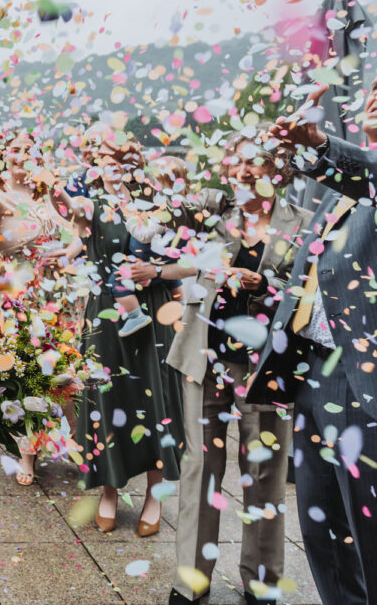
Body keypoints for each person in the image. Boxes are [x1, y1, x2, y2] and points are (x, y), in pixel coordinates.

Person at [158, 129, 310, 604]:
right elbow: (163, 211)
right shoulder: (211, 214)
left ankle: (262, 580)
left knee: (264, 473)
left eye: (255, 163)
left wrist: (265, 284)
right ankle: (192, 581)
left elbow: (310, 294)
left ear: (277, 171)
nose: (244, 171)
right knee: (199, 470)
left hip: (266, 367)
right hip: (205, 360)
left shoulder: (301, 222)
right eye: (236, 162)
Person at [247, 83, 377, 603]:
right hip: (314, 372)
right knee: (323, 529)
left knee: (368, 533)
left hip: (362, 380)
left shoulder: (362, 172)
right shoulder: (344, 185)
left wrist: (322, 147)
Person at [61, 135, 185, 538]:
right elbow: (72, 219)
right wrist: (51, 194)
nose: (105, 165)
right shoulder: (91, 204)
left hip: (153, 308)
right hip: (106, 313)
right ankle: (110, 489)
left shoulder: (159, 198)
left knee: (155, 400)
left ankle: (155, 492)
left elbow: (193, 261)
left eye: (112, 158)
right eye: (98, 158)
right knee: (107, 395)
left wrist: (159, 273)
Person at [0, 130, 83, 486]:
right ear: (3, 154)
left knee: (61, 368)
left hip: (58, 292)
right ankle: (26, 453)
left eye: (29, 149)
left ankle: (66, 433)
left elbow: (74, 233)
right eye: (15, 149)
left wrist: (70, 251)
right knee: (27, 367)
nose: (22, 155)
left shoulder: (46, 191)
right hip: (17, 291)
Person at [107, 155, 188, 337]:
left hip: (147, 255)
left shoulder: (165, 209)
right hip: (170, 256)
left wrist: (131, 217)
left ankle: (135, 315)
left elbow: (143, 236)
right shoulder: (184, 205)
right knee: (172, 277)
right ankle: (181, 304)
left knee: (117, 280)